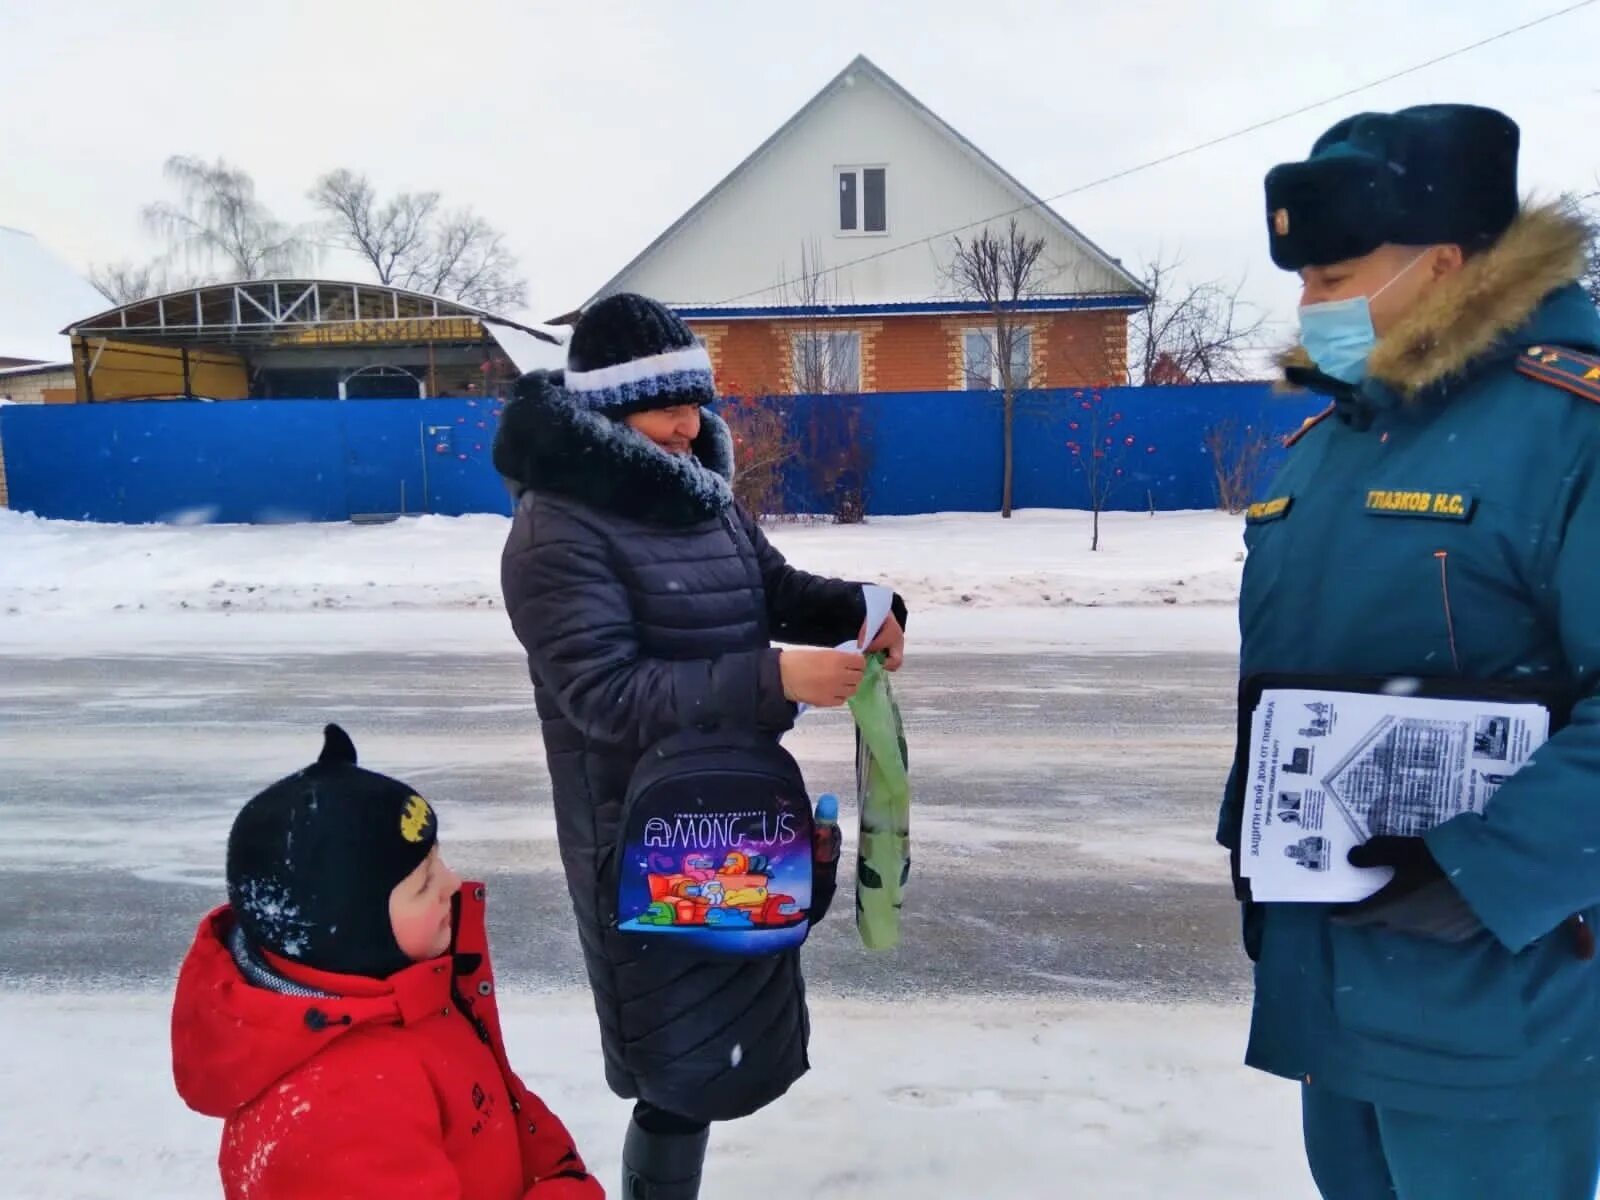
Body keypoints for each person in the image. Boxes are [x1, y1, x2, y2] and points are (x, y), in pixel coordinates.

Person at [1219, 104, 1600, 1199]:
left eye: (1335, 275)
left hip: (1505, 1003)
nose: (1310, 306)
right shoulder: (1328, 445)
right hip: (1335, 987)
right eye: (1303, 280)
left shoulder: (1566, 430)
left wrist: (1480, 871)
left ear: (1444, 261)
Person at [494, 293, 906, 1199]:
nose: (691, 424)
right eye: (667, 406)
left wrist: (865, 609)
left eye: (695, 401)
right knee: (676, 1072)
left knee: (718, 1054)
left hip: (729, 810)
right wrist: (777, 679)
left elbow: (772, 585)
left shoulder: (697, 497)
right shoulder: (555, 531)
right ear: (606, 412)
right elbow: (602, 695)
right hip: (641, 836)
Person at [171, 724, 602, 1200]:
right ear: (349, 927)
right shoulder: (339, 1108)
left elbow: (496, 1105)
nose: (453, 883)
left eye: (438, 861)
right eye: (422, 883)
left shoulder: (407, 996)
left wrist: (556, 1172)